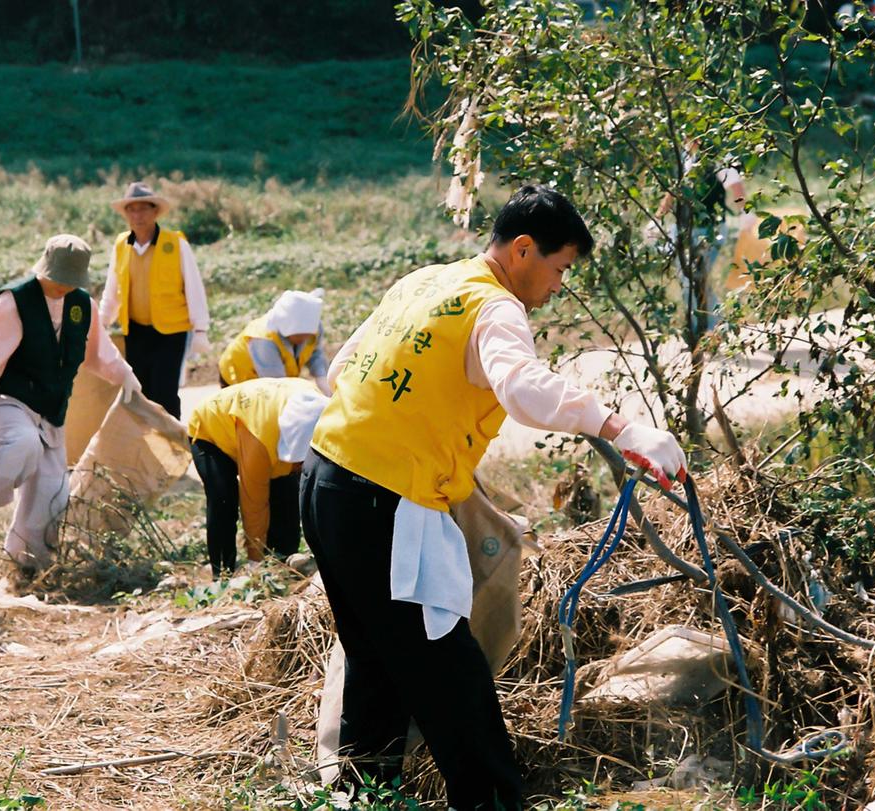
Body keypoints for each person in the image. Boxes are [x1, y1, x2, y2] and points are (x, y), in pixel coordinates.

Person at [301, 185, 688, 810]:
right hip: (384, 499)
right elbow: (524, 390)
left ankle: (364, 794)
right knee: (445, 666)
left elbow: (346, 367)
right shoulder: (497, 308)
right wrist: (625, 428)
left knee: (374, 653)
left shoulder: (428, 280)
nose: (558, 285)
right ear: (524, 249)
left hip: (325, 479)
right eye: (559, 268)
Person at [0, 234, 141, 573]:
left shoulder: (82, 305)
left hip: (52, 412)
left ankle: (26, 566)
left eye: (69, 282)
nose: (62, 287)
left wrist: (125, 374)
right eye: (57, 280)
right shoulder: (14, 301)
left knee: (50, 497)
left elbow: (98, 352)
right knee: (21, 444)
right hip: (9, 400)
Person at [188, 377, 328, 579]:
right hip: (212, 431)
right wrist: (255, 559)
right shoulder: (259, 443)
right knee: (223, 498)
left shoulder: (317, 407)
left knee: (287, 495)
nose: (300, 467)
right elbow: (253, 502)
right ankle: (222, 574)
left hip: (265, 421)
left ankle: (283, 563)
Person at [99, 181, 210, 418]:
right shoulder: (121, 245)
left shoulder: (175, 243)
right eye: (132, 209)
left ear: (155, 211)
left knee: (165, 393)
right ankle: (147, 450)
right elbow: (113, 289)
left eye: (143, 209)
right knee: (140, 393)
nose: (137, 215)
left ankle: (174, 449)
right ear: (126, 214)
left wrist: (200, 329)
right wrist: (101, 323)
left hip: (171, 332)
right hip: (136, 331)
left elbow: (194, 287)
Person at [649, 139, 746, 334]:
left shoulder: (719, 158)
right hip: (682, 228)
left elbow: (737, 189)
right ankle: (706, 330)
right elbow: (674, 190)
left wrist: (745, 215)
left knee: (698, 279)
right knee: (689, 281)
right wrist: (657, 218)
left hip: (710, 230)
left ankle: (707, 331)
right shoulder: (684, 159)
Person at [218, 289, 333, 395]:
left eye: (307, 336)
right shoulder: (264, 340)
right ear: (286, 329)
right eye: (299, 336)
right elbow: (278, 387)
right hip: (239, 378)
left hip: (275, 380)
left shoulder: (313, 328)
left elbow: (314, 352)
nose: (303, 340)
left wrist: (322, 377)